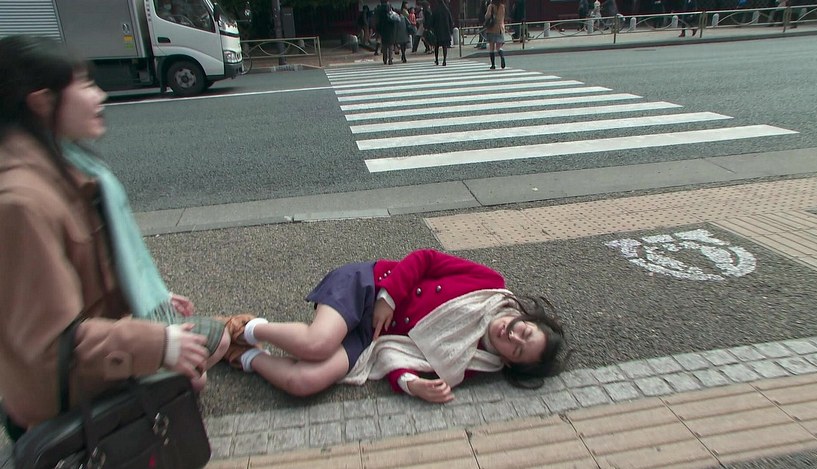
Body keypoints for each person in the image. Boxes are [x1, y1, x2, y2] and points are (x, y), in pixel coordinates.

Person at [0, 35, 230, 442]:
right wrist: (158, 344)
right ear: (42, 102)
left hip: (90, 350)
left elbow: (87, 276)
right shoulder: (23, 202)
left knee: (201, 358)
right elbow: (50, 348)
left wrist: (150, 298)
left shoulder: (65, 166)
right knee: (199, 359)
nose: (100, 95)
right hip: (57, 388)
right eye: (84, 85)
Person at [220, 249, 570, 403]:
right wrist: (389, 296)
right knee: (317, 344)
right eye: (523, 330)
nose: (511, 335)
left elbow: (402, 359)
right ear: (526, 317)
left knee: (303, 382)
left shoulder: (476, 362)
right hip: (371, 287)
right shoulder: (490, 285)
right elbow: (426, 258)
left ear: (507, 362)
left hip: (372, 340)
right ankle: (242, 329)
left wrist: (413, 385)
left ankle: (243, 357)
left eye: (517, 349)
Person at [484, 0, 508, 70]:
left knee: (491, 47)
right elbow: (502, 17)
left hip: (491, 28)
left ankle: (493, 65)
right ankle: (502, 56)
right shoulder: (502, 6)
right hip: (500, 28)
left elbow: (487, 16)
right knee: (498, 47)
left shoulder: (491, 6)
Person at [431, 0, 454, 66]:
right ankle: (444, 60)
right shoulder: (446, 10)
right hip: (445, 31)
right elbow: (450, 20)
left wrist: (432, 28)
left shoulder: (436, 10)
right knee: (445, 46)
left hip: (437, 30)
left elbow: (432, 21)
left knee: (436, 46)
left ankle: (437, 60)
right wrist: (450, 30)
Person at [375, 0, 397, 65]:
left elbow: (377, 20)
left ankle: (385, 59)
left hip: (382, 28)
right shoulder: (390, 8)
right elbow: (393, 17)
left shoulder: (379, 9)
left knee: (384, 44)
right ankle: (390, 59)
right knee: (390, 45)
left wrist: (378, 29)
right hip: (390, 28)